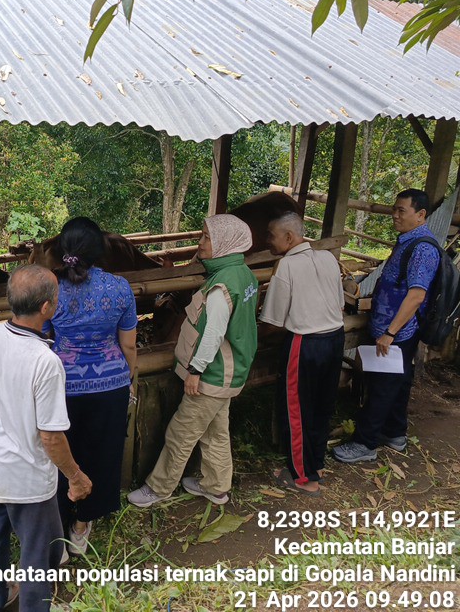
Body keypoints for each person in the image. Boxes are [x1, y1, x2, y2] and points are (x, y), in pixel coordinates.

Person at [0, 265, 92, 612]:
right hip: (26, 480)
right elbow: (51, 437)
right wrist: (76, 476)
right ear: (47, 308)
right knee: (40, 554)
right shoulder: (45, 361)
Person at [128, 214, 258, 508]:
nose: (200, 244)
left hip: (213, 374)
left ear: (225, 243)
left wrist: (195, 370)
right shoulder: (243, 275)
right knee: (215, 432)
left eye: (207, 238)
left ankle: (158, 488)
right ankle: (216, 487)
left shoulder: (222, 285)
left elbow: (213, 333)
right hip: (231, 371)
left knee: (181, 433)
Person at [43, 217, 137, 555]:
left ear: (61, 249)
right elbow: (129, 345)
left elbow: (42, 339)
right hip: (110, 386)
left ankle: (57, 528)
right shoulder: (120, 287)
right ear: (100, 250)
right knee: (101, 453)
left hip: (61, 387)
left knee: (61, 455)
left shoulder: (50, 288)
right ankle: (81, 527)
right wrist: (128, 379)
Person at [334, 189, 441, 463]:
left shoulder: (423, 249)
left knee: (382, 386)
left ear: (420, 215)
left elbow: (416, 296)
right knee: (398, 382)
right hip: (389, 327)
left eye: (401, 211)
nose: (395, 215)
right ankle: (395, 433)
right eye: (394, 209)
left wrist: (390, 333)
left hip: (398, 331)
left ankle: (365, 444)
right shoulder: (407, 241)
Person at [259, 212, 345, 495]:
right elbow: (339, 303)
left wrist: (253, 337)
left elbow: (273, 321)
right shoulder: (328, 258)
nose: (268, 241)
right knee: (322, 406)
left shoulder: (286, 265)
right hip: (334, 339)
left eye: (271, 235)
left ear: (288, 237)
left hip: (305, 344)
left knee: (296, 411)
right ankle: (315, 465)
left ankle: (303, 478)